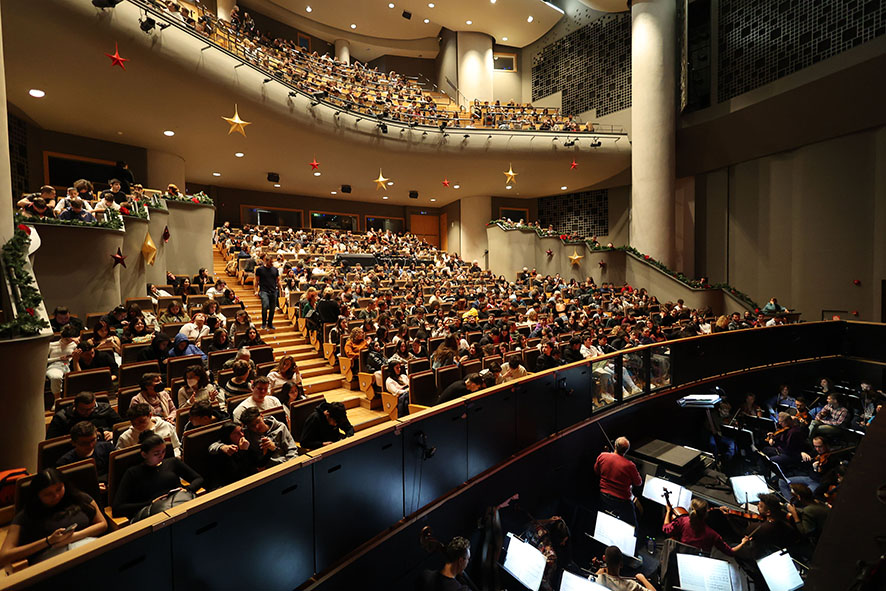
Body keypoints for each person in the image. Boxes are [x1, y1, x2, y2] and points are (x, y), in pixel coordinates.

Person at [0, 468, 107, 567]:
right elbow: (4, 556)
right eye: (48, 494)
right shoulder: (26, 515)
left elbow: (103, 524)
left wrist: (74, 537)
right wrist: (49, 541)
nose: (56, 496)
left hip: (88, 547)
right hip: (53, 560)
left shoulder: (79, 498)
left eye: (59, 489)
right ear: (37, 495)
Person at [112, 431, 204, 520]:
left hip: (180, 504)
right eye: (156, 454)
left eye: (164, 451)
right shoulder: (133, 473)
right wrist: (150, 503)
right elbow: (117, 508)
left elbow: (198, 478)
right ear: (144, 455)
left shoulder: (172, 462)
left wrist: (187, 490)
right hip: (155, 514)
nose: (161, 456)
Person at [662, 498, 748, 555]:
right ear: (706, 514)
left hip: (681, 554)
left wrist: (668, 511)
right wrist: (743, 543)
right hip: (700, 559)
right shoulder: (712, 535)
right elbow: (730, 552)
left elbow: (665, 528)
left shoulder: (682, 521)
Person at [594, 436, 642, 527]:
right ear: (626, 450)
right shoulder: (630, 466)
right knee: (632, 526)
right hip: (622, 501)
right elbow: (638, 483)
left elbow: (596, 471)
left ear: (615, 446)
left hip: (603, 496)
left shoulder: (602, 456)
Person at [46, 391, 122, 440]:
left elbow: (121, 426)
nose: (87, 412)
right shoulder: (61, 418)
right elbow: (52, 441)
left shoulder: (104, 409)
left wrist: (113, 433)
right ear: (74, 405)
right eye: (83, 410)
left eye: (91, 409)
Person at [116, 403, 181, 457]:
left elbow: (176, 446)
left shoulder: (166, 426)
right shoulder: (125, 438)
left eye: (142, 421)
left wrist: (176, 457)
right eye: (134, 423)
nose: (138, 426)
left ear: (150, 415)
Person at [46, 324, 79, 398]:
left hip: (68, 365)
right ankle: (57, 399)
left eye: (71, 340)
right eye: (66, 340)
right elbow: (44, 361)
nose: (68, 342)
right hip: (54, 365)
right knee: (56, 377)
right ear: (61, 336)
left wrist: (78, 344)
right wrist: (59, 358)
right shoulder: (52, 345)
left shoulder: (74, 345)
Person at [255, 253, 283, 330]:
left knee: (272, 309)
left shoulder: (275, 270)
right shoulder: (260, 270)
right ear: (266, 261)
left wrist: (281, 288)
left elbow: (278, 280)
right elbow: (256, 281)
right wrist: (256, 290)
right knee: (265, 306)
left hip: (273, 290)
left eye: (272, 262)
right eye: (270, 262)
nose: (272, 263)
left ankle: (270, 323)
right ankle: (264, 323)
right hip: (264, 290)